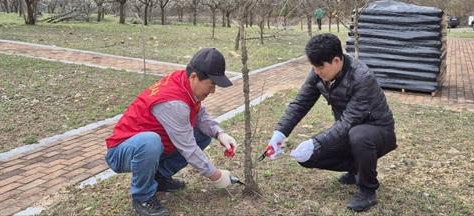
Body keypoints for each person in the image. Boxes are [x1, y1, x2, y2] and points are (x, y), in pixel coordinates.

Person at [263, 34, 397, 212]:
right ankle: (356, 169)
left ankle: (367, 190)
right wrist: (279, 134)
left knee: (358, 135)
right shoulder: (319, 73)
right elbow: (301, 102)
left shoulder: (362, 78)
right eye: (314, 67)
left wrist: (316, 142)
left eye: (320, 67)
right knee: (307, 157)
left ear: (336, 61)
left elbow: (349, 121)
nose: (317, 72)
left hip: (378, 132)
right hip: (348, 131)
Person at [105, 48, 238, 216]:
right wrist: (217, 176)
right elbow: (188, 148)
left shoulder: (184, 81)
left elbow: (198, 115)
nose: (213, 91)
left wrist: (220, 133)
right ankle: (142, 197)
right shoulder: (174, 103)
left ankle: (158, 178)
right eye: (211, 85)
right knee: (150, 142)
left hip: (148, 146)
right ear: (194, 77)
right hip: (122, 151)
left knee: (203, 135)